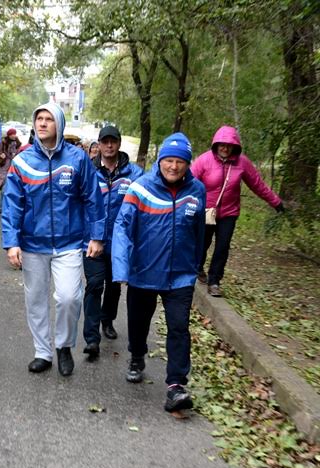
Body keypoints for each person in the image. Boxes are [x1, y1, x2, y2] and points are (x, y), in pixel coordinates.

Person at [1, 102, 105, 377]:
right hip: (33, 244)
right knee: (35, 299)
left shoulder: (77, 159)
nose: (43, 123)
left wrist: (96, 236)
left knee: (70, 297)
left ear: (59, 124)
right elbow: (12, 204)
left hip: (69, 243)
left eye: (49, 119)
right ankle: (43, 352)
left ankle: (64, 346)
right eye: (39, 119)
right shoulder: (22, 161)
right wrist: (11, 242)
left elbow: (93, 198)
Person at [112, 132, 205, 412]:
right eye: (169, 160)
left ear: (188, 164)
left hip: (180, 275)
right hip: (145, 271)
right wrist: (121, 267)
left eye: (180, 162)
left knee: (178, 327)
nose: (174, 167)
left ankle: (176, 385)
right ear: (160, 161)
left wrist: (195, 264)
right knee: (139, 322)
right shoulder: (140, 188)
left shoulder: (197, 190)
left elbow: (200, 232)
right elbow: (121, 227)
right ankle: (137, 356)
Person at [190, 125, 284, 297]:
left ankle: (214, 281)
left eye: (228, 145)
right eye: (221, 145)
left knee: (222, 247)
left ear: (235, 146)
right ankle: (197, 268)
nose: (225, 148)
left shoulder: (242, 163)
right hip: (205, 211)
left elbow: (258, 185)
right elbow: (188, 182)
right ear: (216, 144)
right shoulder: (204, 160)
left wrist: (275, 201)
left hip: (229, 213)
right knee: (202, 243)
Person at [81, 126, 144, 361]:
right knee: (95, 284)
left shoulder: (134, 173)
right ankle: (91, 338)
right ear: (98, 144)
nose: (109, 146)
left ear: (118, 144)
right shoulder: (88, 170)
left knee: (114, 285)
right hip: (92, 240)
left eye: (113, 141)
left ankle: (107, 320)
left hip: (121, 243)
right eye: (105, 141)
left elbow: (141, 206)